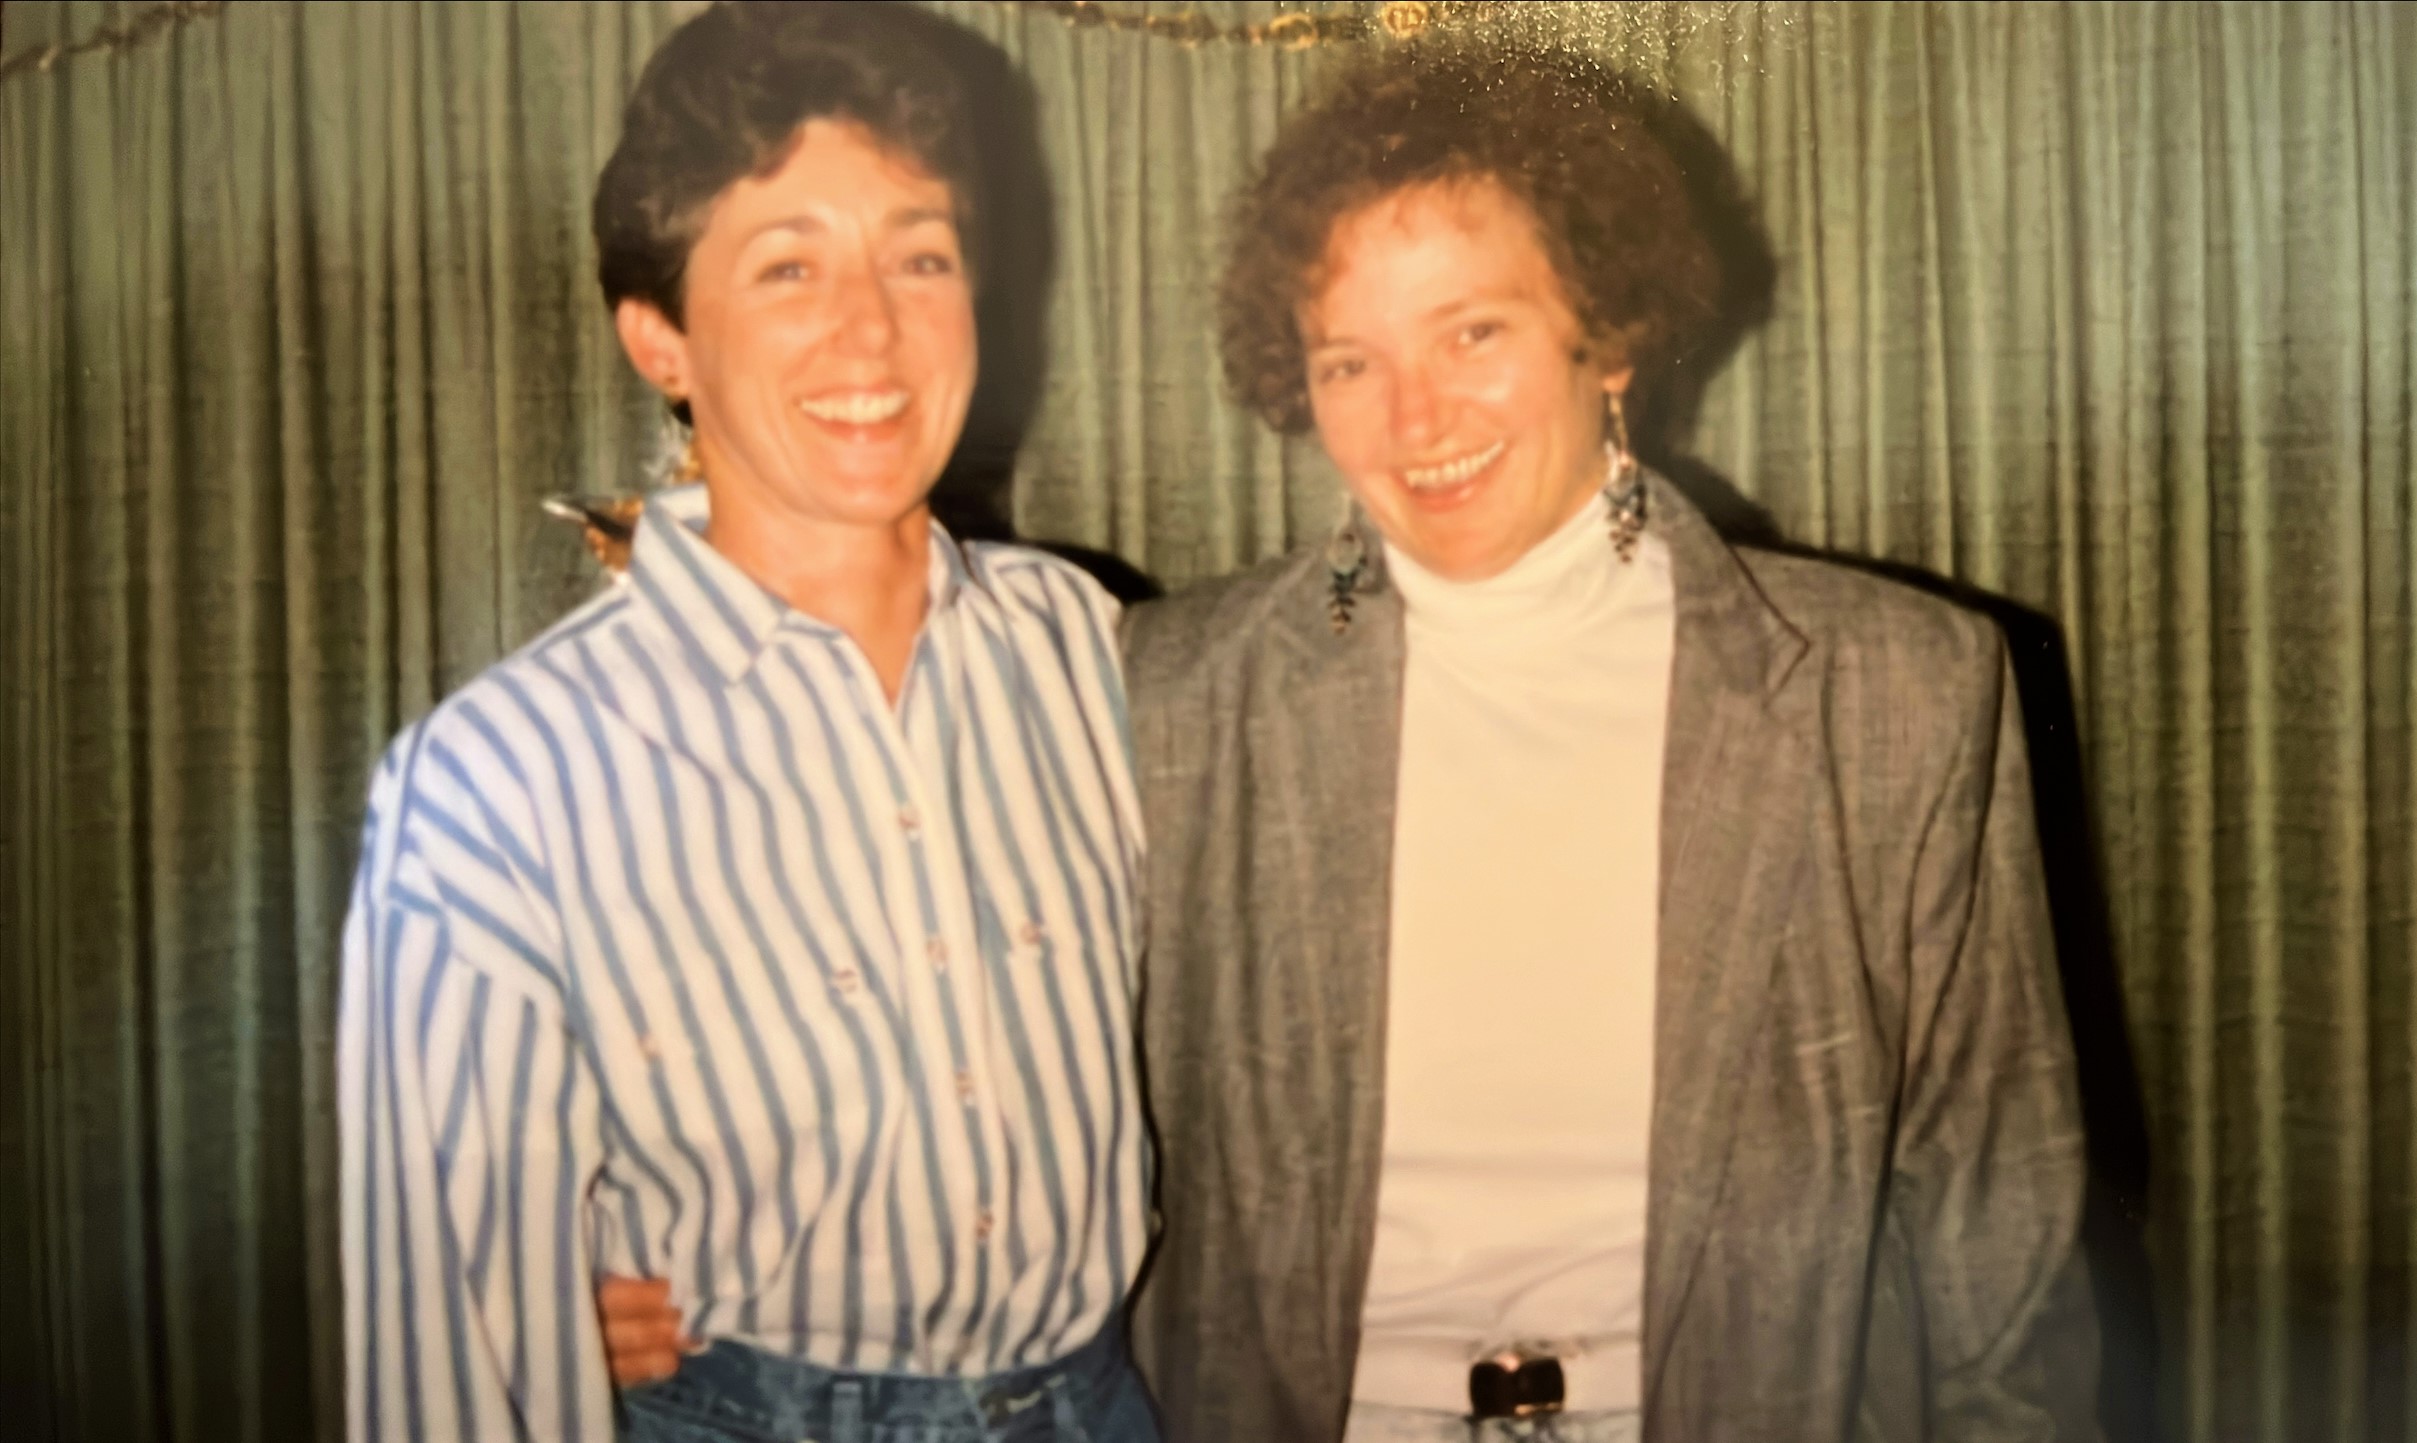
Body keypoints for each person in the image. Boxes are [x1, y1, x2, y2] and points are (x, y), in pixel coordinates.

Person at [602, 32, 2102, 1443]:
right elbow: (926, 1014)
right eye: (1346, 360)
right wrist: (645, 1245)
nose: (1414, 414)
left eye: (1473, 330)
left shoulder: (1891, 694)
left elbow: (1999, 1237)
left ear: (1609, 333)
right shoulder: (1168, 694)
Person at [337, 4, 1158, 1440]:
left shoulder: (1094, 650)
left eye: (921, 254)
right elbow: (451, 1362)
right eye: (788, 265)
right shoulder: (495, 782)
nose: (872, 327)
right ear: (661, 339)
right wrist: (536, 1326)